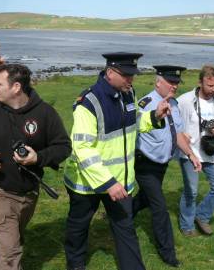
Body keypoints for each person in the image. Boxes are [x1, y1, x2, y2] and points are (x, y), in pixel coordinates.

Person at [64, 52, 172, 270]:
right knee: (78, 226)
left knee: (125, 227)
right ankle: (75, 264)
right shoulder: (89, 103)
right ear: (110, 73)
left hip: (120, 182)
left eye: (133, 75)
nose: (131, 80)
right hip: (86, 184)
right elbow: (82, 148)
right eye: (126, 75)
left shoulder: (128, 93)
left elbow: (134, 122)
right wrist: (108, 183)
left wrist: (154, 117)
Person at [0, 64, 71, 270]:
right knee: (11, 251)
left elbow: (64, 147)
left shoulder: (45, 113)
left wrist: (38, 158)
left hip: (29, 192)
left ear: (16, 87)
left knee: (10, 245)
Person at [133, 66, 202, 267]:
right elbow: (132, 131)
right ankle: (168, 253)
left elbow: (179, 134)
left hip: (161, 164)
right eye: (171, 82)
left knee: (146, 197)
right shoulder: (145, 104)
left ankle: (122, 213)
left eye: (177, 83)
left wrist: (191, 154)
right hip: (144, 164)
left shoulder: (174, 104)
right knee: (160, 208)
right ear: (158, 82)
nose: (175, 86)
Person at [177, 65, 214, 236]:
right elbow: (174, 125)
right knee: (191, 191)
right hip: (190, 153)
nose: (213, 90)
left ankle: (201, 215)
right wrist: (181, 134)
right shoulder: (184, 101)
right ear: (200, 82)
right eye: (210, 86)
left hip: (212, 153)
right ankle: (187, 226)